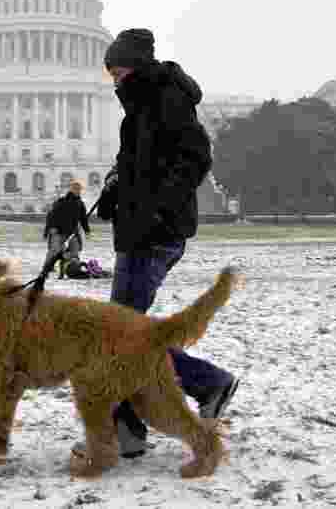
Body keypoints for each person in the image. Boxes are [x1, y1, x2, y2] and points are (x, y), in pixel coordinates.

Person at [91, 28, 239, 459]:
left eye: (117, 70)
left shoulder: (166, 100)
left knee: (120, 338)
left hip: (155, 233)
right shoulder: (136, 112)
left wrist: (158, 207)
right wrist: (116, 192)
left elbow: (196, 157)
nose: (113, 80)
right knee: (123, 336)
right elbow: (138, 167)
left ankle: (202, 386)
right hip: (140, 229)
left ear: (133, 65)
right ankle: (130, 428)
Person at [43, 178, 91, 279]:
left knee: (74, 252)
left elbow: (83, 219)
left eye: (79, 189)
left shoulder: (80, 203)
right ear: (71, 189)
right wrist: (50, 228)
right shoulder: (62, 201)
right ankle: (45, 271)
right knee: (54, 252)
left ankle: (72, 270)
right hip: (58, 232)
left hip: (72, 233)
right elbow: (51, 215)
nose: (78, 191)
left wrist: (87, 231)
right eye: (76, 189)